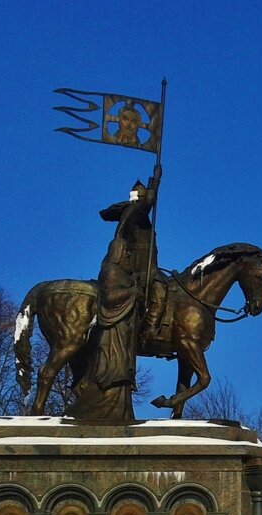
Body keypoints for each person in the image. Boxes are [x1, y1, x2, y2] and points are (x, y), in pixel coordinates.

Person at [67, 165, 161, 421]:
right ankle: (152, 327)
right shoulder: (133, 215)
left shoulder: (139, 222)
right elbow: (145, 206)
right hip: (137, 277)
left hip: (140, 273)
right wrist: (155, 184)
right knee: (160, 289)